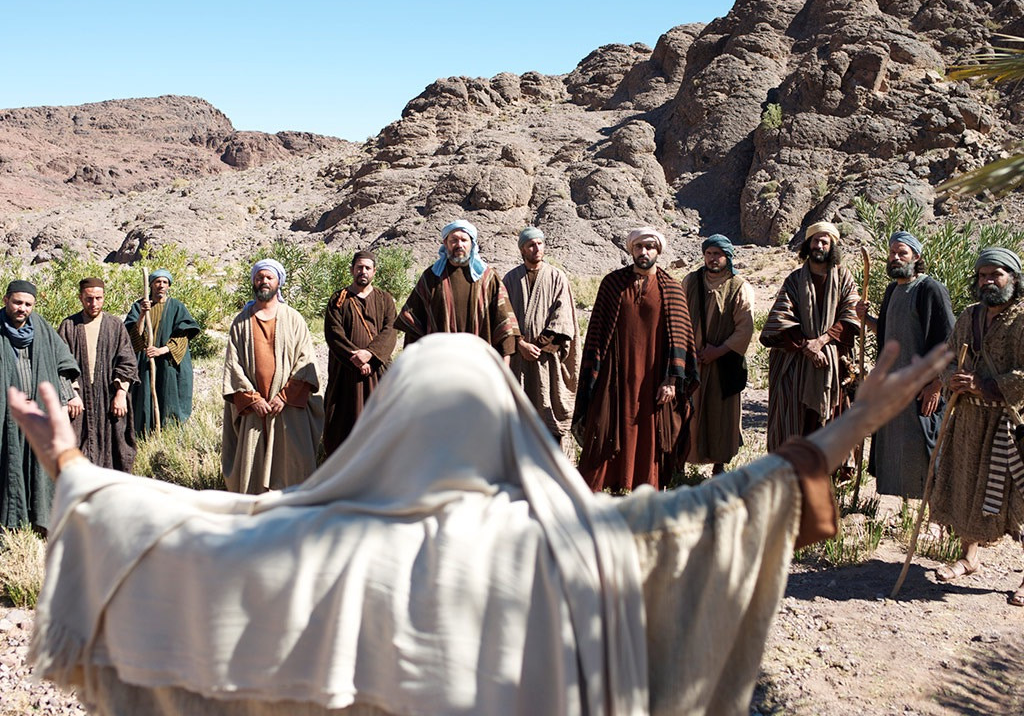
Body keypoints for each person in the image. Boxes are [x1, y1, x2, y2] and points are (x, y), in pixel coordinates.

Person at [14, 335, 952, 716]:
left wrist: (69, 465)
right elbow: (721, 510)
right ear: (506, 425)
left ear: (390, 424)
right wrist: (852, 425)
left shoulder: (309, 543)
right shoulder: (575, 547)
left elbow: (181, 528)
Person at [929, 247, 1024, 606]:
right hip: (969, 418)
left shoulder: (1022, 319)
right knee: (967, 484)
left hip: (1012, 424)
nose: (988, 281)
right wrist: (951, 379)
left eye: (996, 275)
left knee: (1020, 498)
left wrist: (986, 386)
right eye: (982, 275)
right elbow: (950, 357)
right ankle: (969, 558)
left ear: (1012, 278)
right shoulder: (969, 316)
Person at [572, 228, 697, 492]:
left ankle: (644, 485)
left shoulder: (672, 289)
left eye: (650, 247)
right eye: (639, 247)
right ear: (631, 250)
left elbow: (681, 339)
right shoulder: (612, 284)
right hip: (615, 375)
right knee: (605, 423)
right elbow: (597, 331)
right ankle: (601, 487)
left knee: (650, 431)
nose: (644, 252)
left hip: (653, 379)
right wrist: (596, 373)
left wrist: (672, 379)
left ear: (658, 251)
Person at [855, 232, 954, 498]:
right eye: (892, 253)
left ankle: (931, 513)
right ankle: (902, 512)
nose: (896, 258)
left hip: (921, 390)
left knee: (922, 448)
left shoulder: (929, 289)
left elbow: (951, 341)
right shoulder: (892, 290)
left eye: (903, 253)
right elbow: (889, 333)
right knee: (895, 449)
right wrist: (867, 320)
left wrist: (937, 385)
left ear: (916, 256)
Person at [222, 259, 325, 494]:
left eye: (269, 277)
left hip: (287, 407)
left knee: (293, 468)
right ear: (254, 281)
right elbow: (233, 366)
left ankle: (294, 518)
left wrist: (285, 396)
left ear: (279, 282)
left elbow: (305, 361)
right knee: (252, 471)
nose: (264, 281)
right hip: (254, 410)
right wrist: (253, 399)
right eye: (260, 277)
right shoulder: (240, 322)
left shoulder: (294, 319)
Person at [760, 221, 860, 454]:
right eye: (815, 240)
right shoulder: (794, 280)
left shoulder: (844, 278)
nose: (819, 245)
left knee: (832, 419)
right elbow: (780, 319)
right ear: (808, 244)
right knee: (794, 419)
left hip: (833, 361)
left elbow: (850, 317)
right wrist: (807, 346)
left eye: (825, 241)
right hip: (796, 364)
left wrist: (821, 342)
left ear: (833, 246)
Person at [0, 279, 80, 530]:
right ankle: (10, 521)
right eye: (17, 302)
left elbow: (62, 365)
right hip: (5, 412)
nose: (22, 308)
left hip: (38, 412)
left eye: (28, 304)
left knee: (38, 462)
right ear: (6, 301)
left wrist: (70, 395)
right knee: (9, 459)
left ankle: (38, 519)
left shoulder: (43, 329)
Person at [502, 227, 580, 456]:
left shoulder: (557, 277)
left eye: (540, 244)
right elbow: (503, 315)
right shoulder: (511, 278)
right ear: (522, 249)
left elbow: (563, 317)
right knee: (520, 415)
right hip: (519, 360)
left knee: (550, 410)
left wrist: (540, 344)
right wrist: (521, 345)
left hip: (548, 360)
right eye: (531, 245)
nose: (537, 249)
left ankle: (555, 468)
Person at [396, 219, 519, 363]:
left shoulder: (488, 277)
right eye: (454, 240)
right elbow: (414, 324)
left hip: (481, 363)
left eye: (464, 240)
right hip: (439, 363)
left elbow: (503, 322)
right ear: (445, 243)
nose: (459, 245)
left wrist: (504, 364)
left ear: (472, 244)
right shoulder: (431, 277)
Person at [682, 235, 755, 475]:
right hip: (691, 360)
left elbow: (745, 328)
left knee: (721, 414)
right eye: (709, 253)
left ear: (728, 257)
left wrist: (718, 351)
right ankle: (680, 461)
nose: (713, 259)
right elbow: (678, 317)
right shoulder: (691, 281)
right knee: (685, 411)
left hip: (723, 362)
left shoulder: (739, 286)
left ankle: (719, 464)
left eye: (718, 254)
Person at [58, 278, 139, 474]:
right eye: (88, 299)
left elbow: (127, 361)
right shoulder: (69, 326)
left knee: (115, 447)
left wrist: (121, 394)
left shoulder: (115, 325)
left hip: (109, 397)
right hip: (78, 400)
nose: (93, 304)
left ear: (104, 298)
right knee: (75, 446)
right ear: (80, 298)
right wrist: (71, 393)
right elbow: (59, 363)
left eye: (98, 298)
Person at [323, 250, 397, 455]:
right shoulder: (338, 299)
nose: (362, 271)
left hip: (377, 370)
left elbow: (390, 331)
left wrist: (370, 355)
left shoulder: (385, 299)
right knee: (343, 424)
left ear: (374, 271)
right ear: (351, 270)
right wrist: (354, 357)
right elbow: (333, 333)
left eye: (367, 268)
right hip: (345, 373)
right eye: (359, 267)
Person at [125, 269, 200, 436]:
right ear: (151, 285)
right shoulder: (139, 306)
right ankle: (145, 433)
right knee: (144, 397)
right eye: (157, 282)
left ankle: (168, 435)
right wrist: (143, 314)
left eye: (165, 282)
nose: (161, 285)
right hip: (146, 360)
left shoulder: (176, 307)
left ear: (169, 286)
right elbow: (133, 335)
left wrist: (161, 351)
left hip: (168, 361)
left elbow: (182, 337)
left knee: (168, 394)